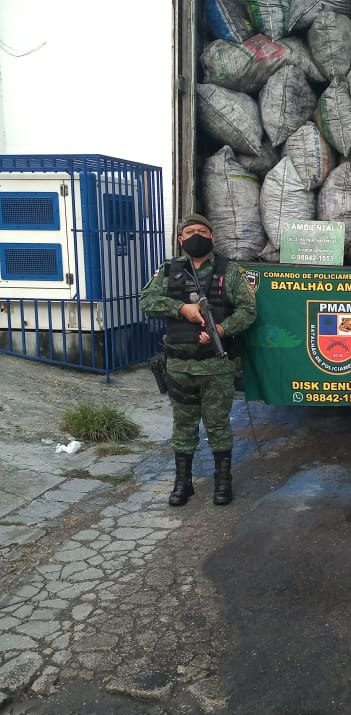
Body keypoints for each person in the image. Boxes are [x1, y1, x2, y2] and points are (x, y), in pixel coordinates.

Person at [140, 214, 256, 507]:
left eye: (201, 231)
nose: (195, 235)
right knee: (184, 425)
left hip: (216, 366)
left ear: (212, 236)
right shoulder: (168, 270)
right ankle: (183, 483)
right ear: (180, 240)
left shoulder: (230, 272)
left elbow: (248, 310)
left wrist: (221, 329)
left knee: (218, 425)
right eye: (189, 232)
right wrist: (183, 310)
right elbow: (146, 301)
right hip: (179, 366)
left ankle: (223, 482)